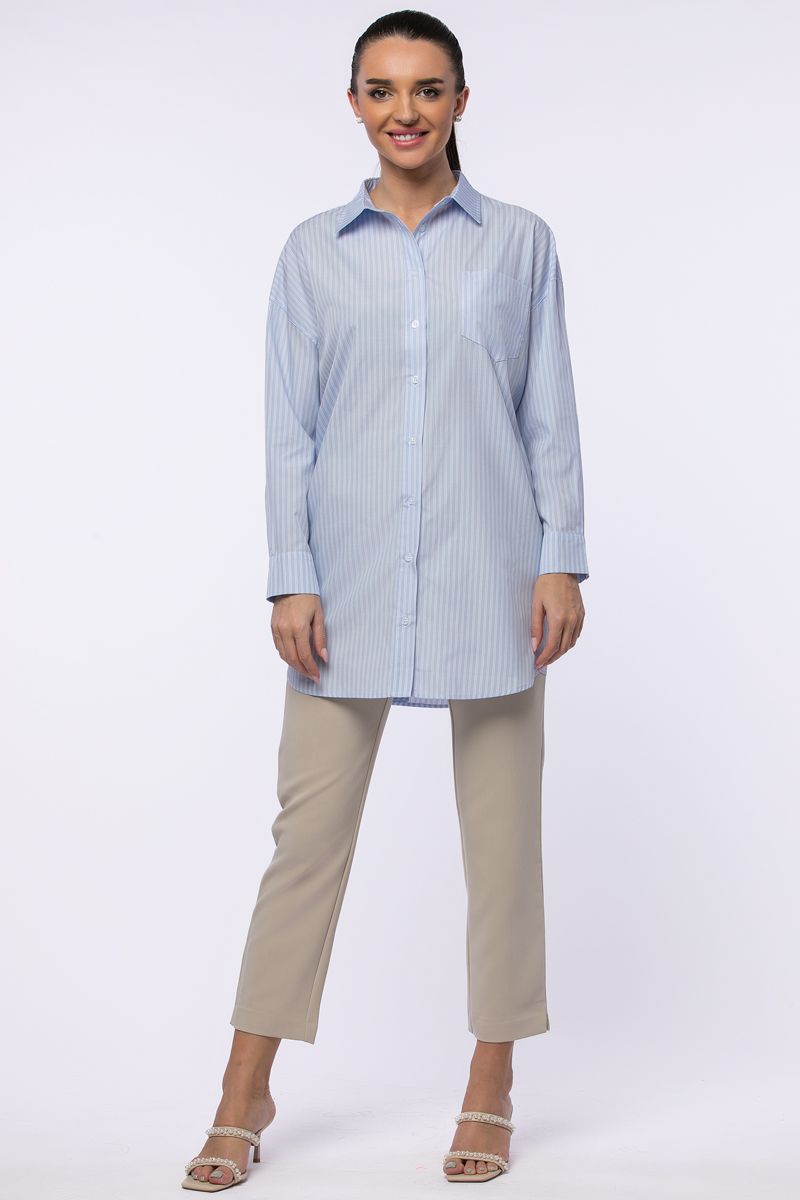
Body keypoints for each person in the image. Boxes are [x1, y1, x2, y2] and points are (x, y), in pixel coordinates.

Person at [182, 9, 588, 1191]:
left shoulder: (518, 245)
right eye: (380, 89)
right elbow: (288, 429)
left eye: (424, 88)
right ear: (353, 103)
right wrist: (292, 572)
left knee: (502, 847)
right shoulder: (312, 253)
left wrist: (559, 556)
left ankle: (489, 1080)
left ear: (460, 100)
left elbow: (547, 409)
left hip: (491, 576)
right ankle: (243, 1088)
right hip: (345, 586)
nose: (402, 110)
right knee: (303, 843)